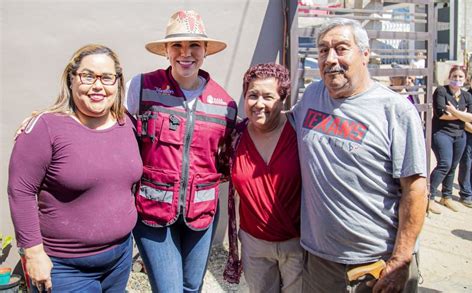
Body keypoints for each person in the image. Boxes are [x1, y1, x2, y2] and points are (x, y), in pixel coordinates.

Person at [291, 18, 427, 292]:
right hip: (319, 264)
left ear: (364, 54)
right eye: (322, 50)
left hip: (374, 267)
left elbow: (415, 190)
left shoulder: (395, 110)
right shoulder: (311, 97)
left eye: (341, 49)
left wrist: (400, 260)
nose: (330, 59)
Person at [8, 44, 143, 292]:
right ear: (71, 79)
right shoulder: (45, 128)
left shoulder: (128, 125)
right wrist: (33, 253)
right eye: (88, 76)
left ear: (118, 83)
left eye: (107, 78)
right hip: (66, 267)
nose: (98, 86)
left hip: (120, 257)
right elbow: (21, 191)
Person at [124, 10, 237, 292]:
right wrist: (54, 117)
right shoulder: (141, 87)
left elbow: (250, 138)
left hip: (203, 212)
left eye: (194, 46)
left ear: (206, 51)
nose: (185, 53)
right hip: (152, 212)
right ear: (165, 50)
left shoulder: (225, 103)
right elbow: (104, 119)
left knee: (191, 287)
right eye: (177, 45)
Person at [223, 63, 302, 292]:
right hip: (254, 245)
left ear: (282, 99)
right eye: (252, 95)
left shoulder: (299, 132)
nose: (259, 104)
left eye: (268, 96)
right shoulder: (235, 137)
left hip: (296, 244)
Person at [429, 66, 472, 214]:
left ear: (465, 79)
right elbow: (441, 114)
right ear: (449, 77)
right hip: (442, 133)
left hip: (459, 135)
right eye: (454, 76)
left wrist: (454, 112)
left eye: (460, 77)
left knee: (453, 166)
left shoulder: (467, 96)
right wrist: (462, 114)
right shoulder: (441, 91)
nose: (457, 79)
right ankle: (429, 196)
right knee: (444, 164)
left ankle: (446, 196)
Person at [447, 73, 472, 207]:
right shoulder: (466, 96)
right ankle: (466, 194)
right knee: (466, 164)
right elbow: (463, 118)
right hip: (468, 134)